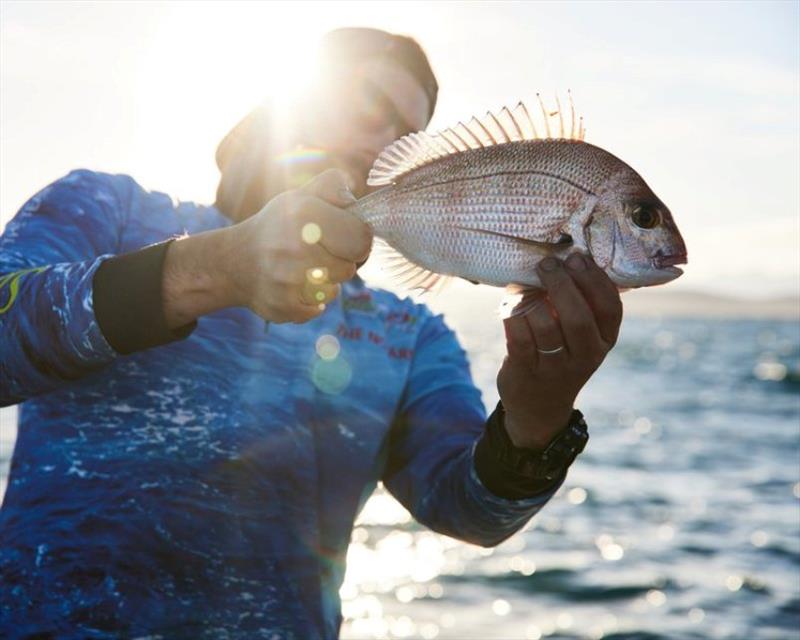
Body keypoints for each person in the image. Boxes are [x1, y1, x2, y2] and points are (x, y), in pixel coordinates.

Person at [0, 27, 622, 639]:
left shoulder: (410, 336)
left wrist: (536, 423)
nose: (384, 144)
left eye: (406, 137)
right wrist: (212, 271)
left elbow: (470, 510)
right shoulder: (105, 211)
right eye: (368, 108)